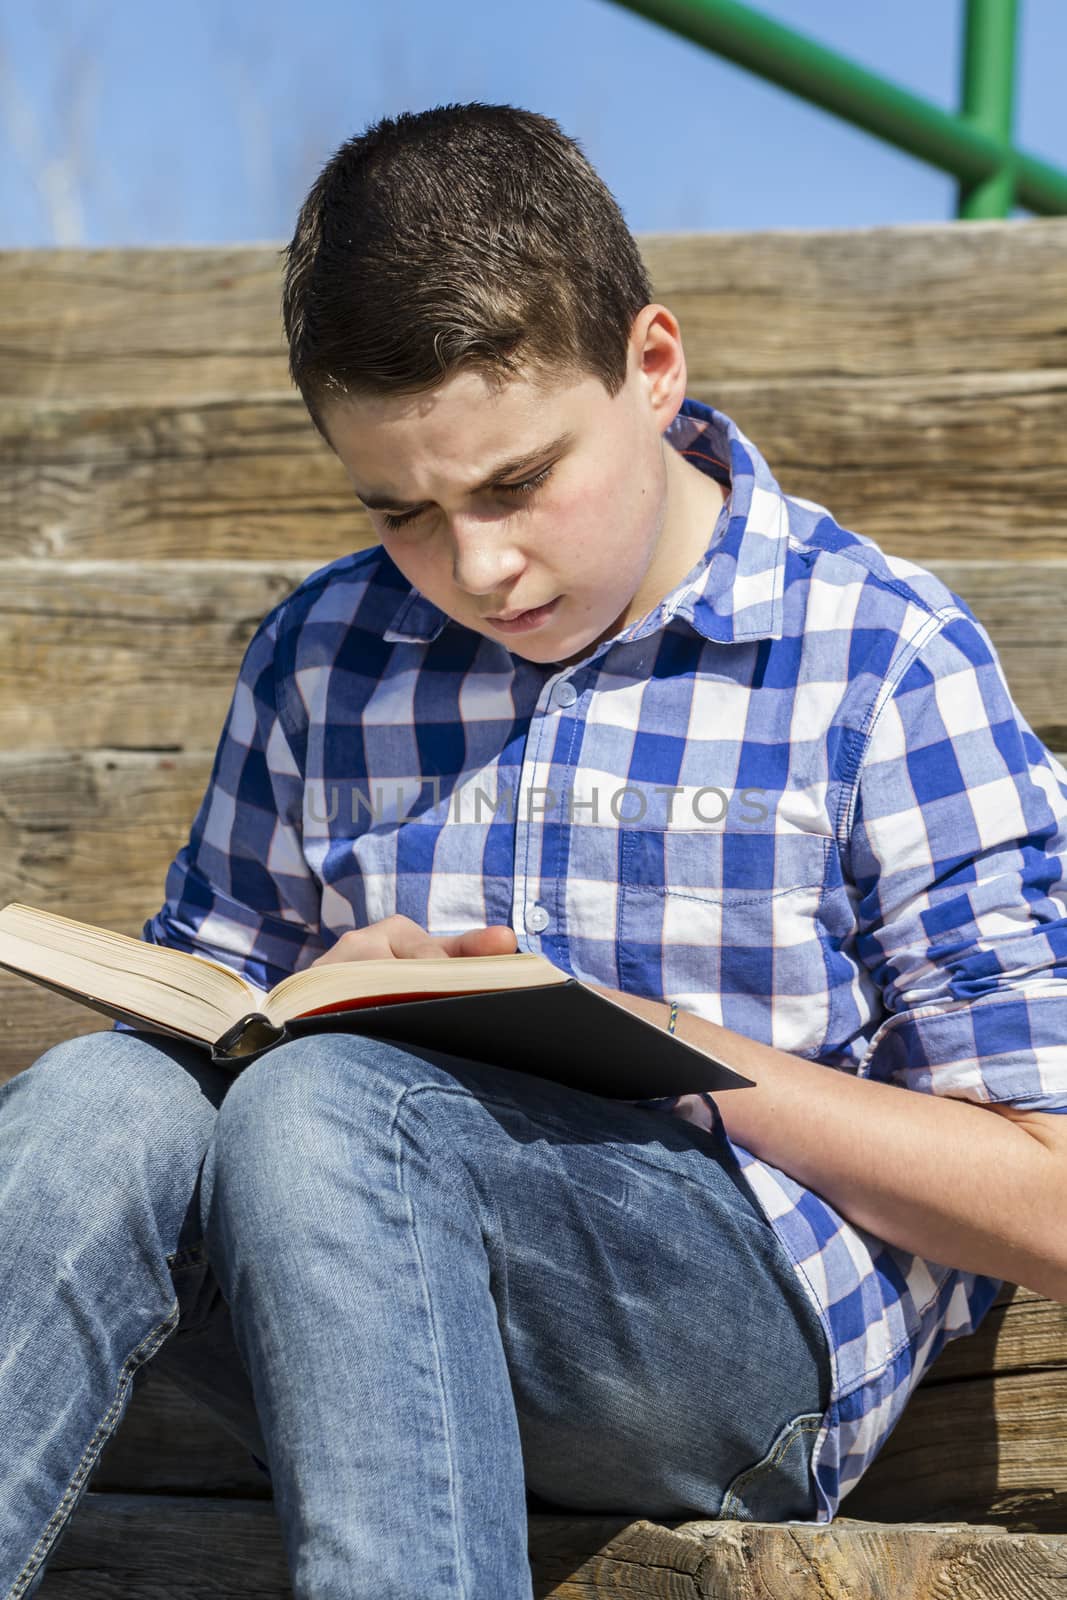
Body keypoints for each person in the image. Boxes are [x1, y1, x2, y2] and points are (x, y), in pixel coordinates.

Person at [3, 101, 1067, 1600]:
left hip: (727, 1339)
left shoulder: (877, 655)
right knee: (107, 1093)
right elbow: (205, 1019)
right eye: (402, 514)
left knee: (336, 1110)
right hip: (336, 1273)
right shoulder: (325, 652)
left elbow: (1049, 1195)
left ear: (652, 366)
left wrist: (656, 1041)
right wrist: (312, 992)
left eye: (515, 484)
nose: (478, 568)